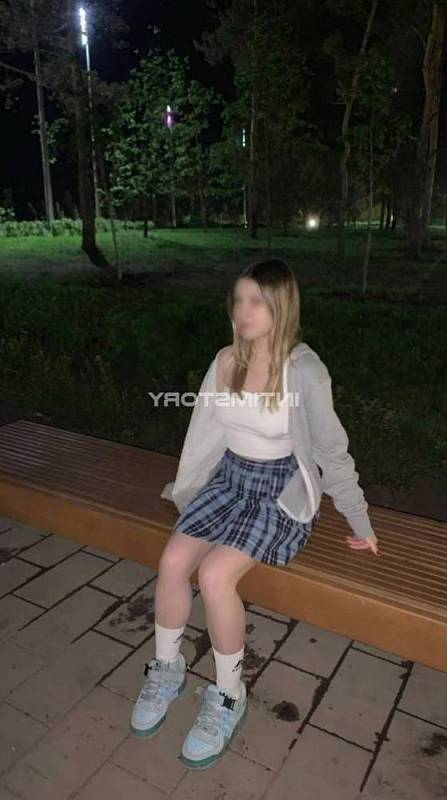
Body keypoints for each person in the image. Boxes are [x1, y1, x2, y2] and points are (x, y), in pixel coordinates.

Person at [130, 258, 380, 770]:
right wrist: (187, 486)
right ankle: (167, 669)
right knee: (173, 560)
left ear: (281, 307)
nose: (243, 311)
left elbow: (331, 451)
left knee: (215, 575)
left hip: (278, 491)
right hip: (229, 481)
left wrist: (359, 519)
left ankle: (228, 696)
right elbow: (205, 433)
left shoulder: (303, 370)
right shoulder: (227, 360)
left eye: (257, 302)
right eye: (239, 300)